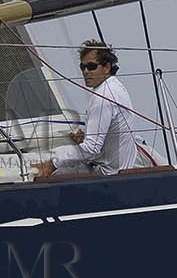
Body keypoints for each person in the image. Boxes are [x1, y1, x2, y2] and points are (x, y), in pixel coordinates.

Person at [34, 40, 145, 177]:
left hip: (107, 174)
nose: (86, 71)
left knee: (40, 176)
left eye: (92, 67)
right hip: (121, 168)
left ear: (106, 67)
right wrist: (87, 135)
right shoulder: (116, 87)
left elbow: (91, 148)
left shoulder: (102, 97)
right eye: (83, 67)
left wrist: (53, 163)